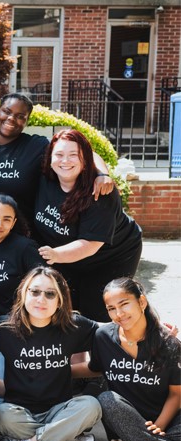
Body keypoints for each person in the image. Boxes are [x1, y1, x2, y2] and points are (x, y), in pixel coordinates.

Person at [0, 94, 114, 251]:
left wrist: (102, 174)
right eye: (7, 111)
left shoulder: (35, 146)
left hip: (20, 236)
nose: (11, 118)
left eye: (20, 116)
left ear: (27, 121)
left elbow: (83, 153)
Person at [0, 266, 102, 441]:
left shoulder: (73, 325)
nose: (41, 299)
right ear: (23, 293)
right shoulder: (3, 328)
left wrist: (153, 326)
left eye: (50, 293)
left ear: (60, 299)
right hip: (18, 414)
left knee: (91, 406)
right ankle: (66, 440)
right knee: (0, 414)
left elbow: (115, 334)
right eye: (34, 291)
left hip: (59, 410)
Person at [34, 129, 143, 321]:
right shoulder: (45, 177)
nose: (65, 161)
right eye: (59, 155)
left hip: (112, 255)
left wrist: (55, 254)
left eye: (73, 155)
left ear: (84, 161)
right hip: (67, 253)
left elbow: (90, 245)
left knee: (103, 307)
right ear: (50, 157)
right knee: (66, 305)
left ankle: (143, 340)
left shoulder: (100, 193)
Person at [87, 278, 180, 441]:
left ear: (142, 302)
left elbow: (176, 394)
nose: (119, 313)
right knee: (107, 399)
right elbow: (94, 367)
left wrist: (159, 426)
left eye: (124, 304)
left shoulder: (169, 344)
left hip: (167, 422)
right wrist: (54, 371)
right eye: (111, 308)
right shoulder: (103, 337)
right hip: (125, 422)